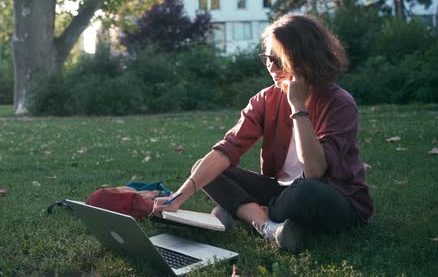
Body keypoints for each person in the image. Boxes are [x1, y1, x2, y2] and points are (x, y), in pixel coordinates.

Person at [152, 14, 374, 251]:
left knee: (305, 190)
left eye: (278, 59)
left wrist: (298, 107)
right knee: (205, 168)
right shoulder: (266, 99)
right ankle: (267, 225)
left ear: (305, 59)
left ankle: (243, 214)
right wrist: (178, 198)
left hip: (333, 198)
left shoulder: (339, 103)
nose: (270, 66)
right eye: (267, 58)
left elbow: (315, 171)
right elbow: (227, 149)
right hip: (281, 191)